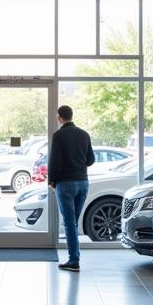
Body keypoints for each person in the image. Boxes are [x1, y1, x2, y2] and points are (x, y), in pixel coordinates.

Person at [47, 104, 95, 272]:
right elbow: (91, 160)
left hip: (66, 184)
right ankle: (74, 258)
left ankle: (74, 260)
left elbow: (54, 161)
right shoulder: (84, 134)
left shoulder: (59, 135)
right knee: (73, 222)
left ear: (60, 118)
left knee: (69, 223)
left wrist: (51, 180)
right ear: (71, 116)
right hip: (83, 183)